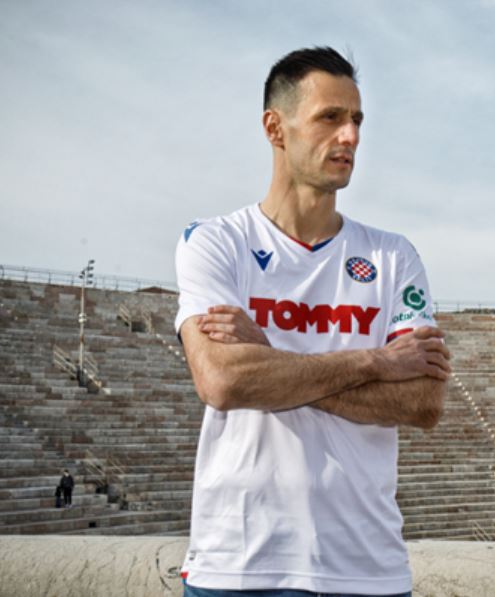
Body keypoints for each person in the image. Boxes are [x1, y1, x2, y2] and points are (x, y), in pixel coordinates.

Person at [174, 46, 451, 596]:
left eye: (357, 120)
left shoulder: (393, 256)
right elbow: (224, 382)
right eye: (330, 117)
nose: (350, 136)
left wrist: (270, 357)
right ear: (275, 128)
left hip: (365, 569)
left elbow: (423, 403)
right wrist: (375, 362)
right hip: (238, 565)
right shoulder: (214, 242)